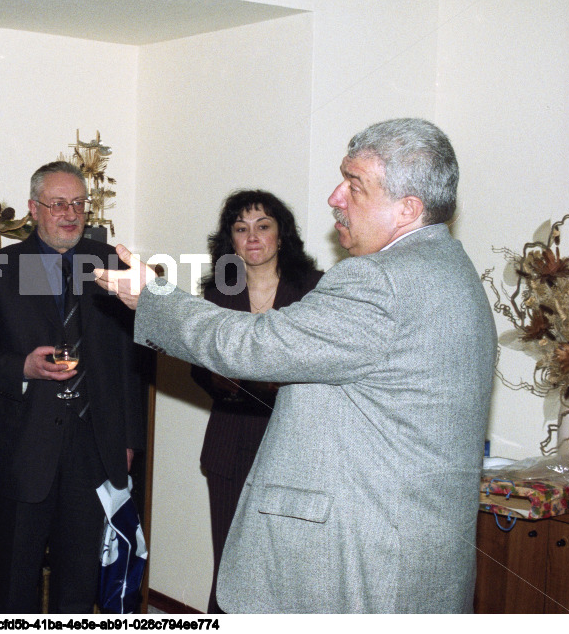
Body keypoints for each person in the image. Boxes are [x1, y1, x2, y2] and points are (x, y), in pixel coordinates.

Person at [96, 118, 496, 613]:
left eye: (354, 185)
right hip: (409, 554)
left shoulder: (377, 281)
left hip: (359, 563)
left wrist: (150, 297)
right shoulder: (452, 269)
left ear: (407, 209)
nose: (335, 196)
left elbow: (252, 344)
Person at [0, 161, 147, 613]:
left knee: (78, 583)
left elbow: (131, 363)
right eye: (58, 204)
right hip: (23, 449)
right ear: (34, 209)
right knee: (17, 583)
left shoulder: (112, 266)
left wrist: (129, 439)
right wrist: (23, 367)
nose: (69, 213)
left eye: (78, 203)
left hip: (94, 449)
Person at [190, 189, 322, 613]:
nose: (252, 237)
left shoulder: (315, 292)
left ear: (281, 236)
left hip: (297, 449)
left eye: (263, 226)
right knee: (229, 569)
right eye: (241, 228)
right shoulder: (215, 296)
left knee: (288, 572)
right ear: (230, 241)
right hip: (231, 442)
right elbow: (198, 367)